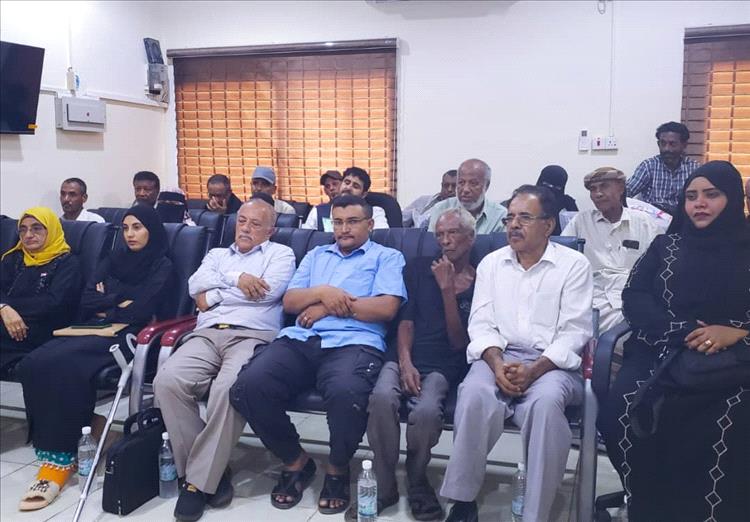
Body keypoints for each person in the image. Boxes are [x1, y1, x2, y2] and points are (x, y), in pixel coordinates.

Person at [229, 195, 406, 515]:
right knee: (248, 386)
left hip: (354, 342)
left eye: (352, 222)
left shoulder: (387, 257)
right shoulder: (316, 255)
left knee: (346, 392)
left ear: (370, 224)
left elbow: (386, 307)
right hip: (301, 338)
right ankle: (295, 460)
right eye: (337, 222)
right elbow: (291, 302)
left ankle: (337, 467)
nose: (344, 229)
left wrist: (326, 307)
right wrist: (323, 292)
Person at [598, 161, 749, 522]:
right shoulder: (666, 245)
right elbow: (635, 295)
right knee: (620, 413)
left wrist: (737, 332)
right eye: (691, 196)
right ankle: (648, 505)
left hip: (733, 360)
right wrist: (680, 330)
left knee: (734, 423)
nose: (699, 204)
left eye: (711, 195)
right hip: (660, 352)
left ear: (732, 198)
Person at [439, 185, 593, 522]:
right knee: (474, 394)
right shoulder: (493, 263)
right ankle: (462, 501)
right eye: (509, 218)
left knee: (545, 406)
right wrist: (496, 364)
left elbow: (575, 332)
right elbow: (481, 323)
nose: (513, 225)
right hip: (499, 355)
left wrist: (533, 370)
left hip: (552, 363)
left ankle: (535, 513)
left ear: (548, 225)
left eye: (524, 218)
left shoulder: (573, 265)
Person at [15, 205, 172, 511]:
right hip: (90, 328)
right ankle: (76, 429)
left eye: (137, 227)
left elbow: (141, 310)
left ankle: (59, 460)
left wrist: (108, 300)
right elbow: (87, 299)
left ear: (151, 230)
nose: (130, 234)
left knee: (66, 366)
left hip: (130, 336)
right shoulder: (113, 258)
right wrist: (119, 300)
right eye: (125, 228)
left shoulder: (162, 264)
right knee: (34, 363)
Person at [154, 198, 295, 521]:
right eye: (242, 221)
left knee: (227, 389)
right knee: (167, 382)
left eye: (255, 224)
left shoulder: (281, 254)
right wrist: (238, 278)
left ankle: (196, 484)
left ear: (270, 230)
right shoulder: (217, 254)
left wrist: (213, 293)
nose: (245, 228)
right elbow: (194, 286)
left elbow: (268, 293)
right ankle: (211, 472)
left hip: (252, 335)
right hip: (207, 334)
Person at [358, 208, 476, 522]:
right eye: (440, 235)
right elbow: (405, 321)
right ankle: (384, 485)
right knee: (382, 397)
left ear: (470, 238)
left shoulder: (478, 280)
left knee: (426, 412)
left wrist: (447, 290)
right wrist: (405, 362)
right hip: (404, 352)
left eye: (453, 233)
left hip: (444, 363)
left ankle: (417, 479)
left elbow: (458, 342)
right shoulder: (418, 267)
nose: (445, 241)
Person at [562, 167, 659, 332]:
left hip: (630, 297)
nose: (598, 194)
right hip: (591, 297)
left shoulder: (644, 222)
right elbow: (561, 257)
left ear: (621, 188)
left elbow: (660, 267)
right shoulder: (581, 221)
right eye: (593, 189)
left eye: (604, 186)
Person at [0, 208, 82, 372]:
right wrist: (4, 308)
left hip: (43, 328)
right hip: (6, 321)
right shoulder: (13, 257)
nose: (28, 235)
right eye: (23, 230)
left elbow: (54, 303)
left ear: (50, 230)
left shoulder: (67, 263)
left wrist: (10, 308)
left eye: (36, 228)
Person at [626, 121, 701, 214]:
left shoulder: (693, 169)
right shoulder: (649, 166)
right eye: (663, 143)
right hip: (653, 218)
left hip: (682, 218)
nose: (666, 149)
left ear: (684, 145)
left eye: (672, 144)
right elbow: (626, 192)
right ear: (658, 144)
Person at [427, 159, 507, 234]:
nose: (465, 189)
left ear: (486, 185)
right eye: (461, 182)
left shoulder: (500, 215)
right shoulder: (441, 209)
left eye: (473, 183)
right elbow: (431, 243)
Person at [535, 165, 578, 235]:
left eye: (557, 187)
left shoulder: (568, 203)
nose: (550, 189)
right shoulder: (528, 200)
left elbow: (576, 229)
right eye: (546, 184)